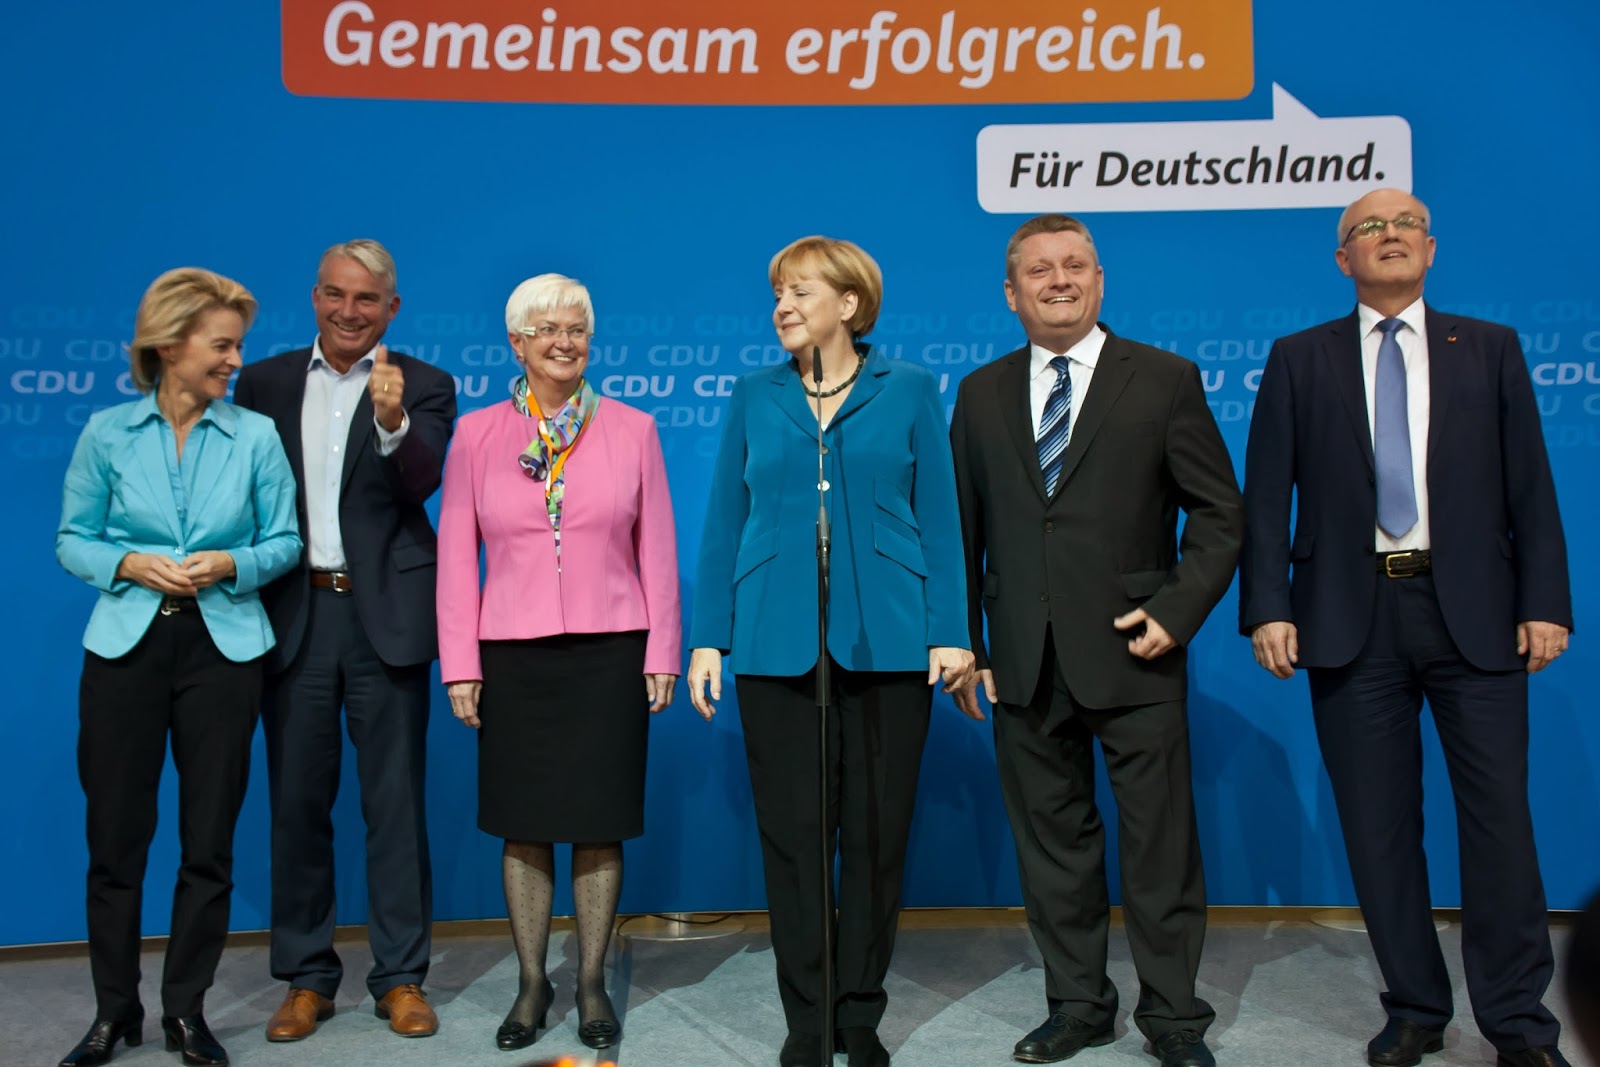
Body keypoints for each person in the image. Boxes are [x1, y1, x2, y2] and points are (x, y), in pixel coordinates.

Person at [1238, 188, 1574, 1067]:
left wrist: (1544, 600)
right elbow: (1266, 496)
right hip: (1349, 618)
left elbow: (1531, 486)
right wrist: (1268, 605)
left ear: (1431, 249)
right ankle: (1416, 1006)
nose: (1389, 234)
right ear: (1342, 259)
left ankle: (1518, 1022)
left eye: (1406, 225)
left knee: (1500, 825)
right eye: (1368, 228)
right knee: (1378, 827)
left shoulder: (1490, 348)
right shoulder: (1299, 357)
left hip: (1478, 614)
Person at [949, 214, 1242, 1067]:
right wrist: (967, 643)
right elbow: (961, 530)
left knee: (1160, 848)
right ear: (1011, 293)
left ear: (1100, 279)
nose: (1060, 280)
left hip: (1137, 653)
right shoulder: (980, 392)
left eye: (1075, 264)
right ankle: (1077, 1005)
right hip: (1021, 661)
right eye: (1040, 270)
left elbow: (1220, 513)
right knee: (1053, 851)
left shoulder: (1164, 379)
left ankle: (1175, 1017)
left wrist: (1176, 611)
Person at [687, 236, 976, 1067]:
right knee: (794, 838)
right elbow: (725, 519)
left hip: (888, 639)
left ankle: (859, 1012)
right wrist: (708, 635)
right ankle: (808, 1015)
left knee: (877, 837)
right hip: (774, 641)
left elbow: (940, 515)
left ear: (849, 304)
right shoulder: (754, 393)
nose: (782, 305)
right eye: (777, 292)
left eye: (800, 291)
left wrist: (951, 629)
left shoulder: (909, 387)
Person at [55, 268, 302, 1067]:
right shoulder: (107, 433)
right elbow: (72, 539)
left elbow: (285, 542)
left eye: (238, 345)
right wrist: (128, 562)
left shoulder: (255, 436)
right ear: (169, 345)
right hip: (125, 651)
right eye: (221, 345)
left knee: (209, 841)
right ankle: (114, 1010)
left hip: (222, 653)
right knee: (115, 840)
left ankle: (185, 1011)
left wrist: (231, 562)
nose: (235, 360)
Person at [436, 273, 683, 1052]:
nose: (563, 342)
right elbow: (455, 559)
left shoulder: (634, 428)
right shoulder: (476, 434)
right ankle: (531, 980)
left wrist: (663, 647)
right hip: (512, 653)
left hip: (612, 650)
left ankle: (591, 979)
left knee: (599, 822)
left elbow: (658, 547)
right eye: (546, 329)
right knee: (526, 824)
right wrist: (459, 663)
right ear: (517, 343)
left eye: (575, 328)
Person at [232, 239, 457, 1041]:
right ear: (315, 297)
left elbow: (421, 482)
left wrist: (392, 422)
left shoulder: (425, 384)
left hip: (383, 617)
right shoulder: (262, 384)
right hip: (294, 614)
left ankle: (401, 977)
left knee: (394, 805)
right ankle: (306, 977)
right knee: (297, 804)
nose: (349, 311)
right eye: (336, 294)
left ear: (392, 308)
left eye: (367, 299)